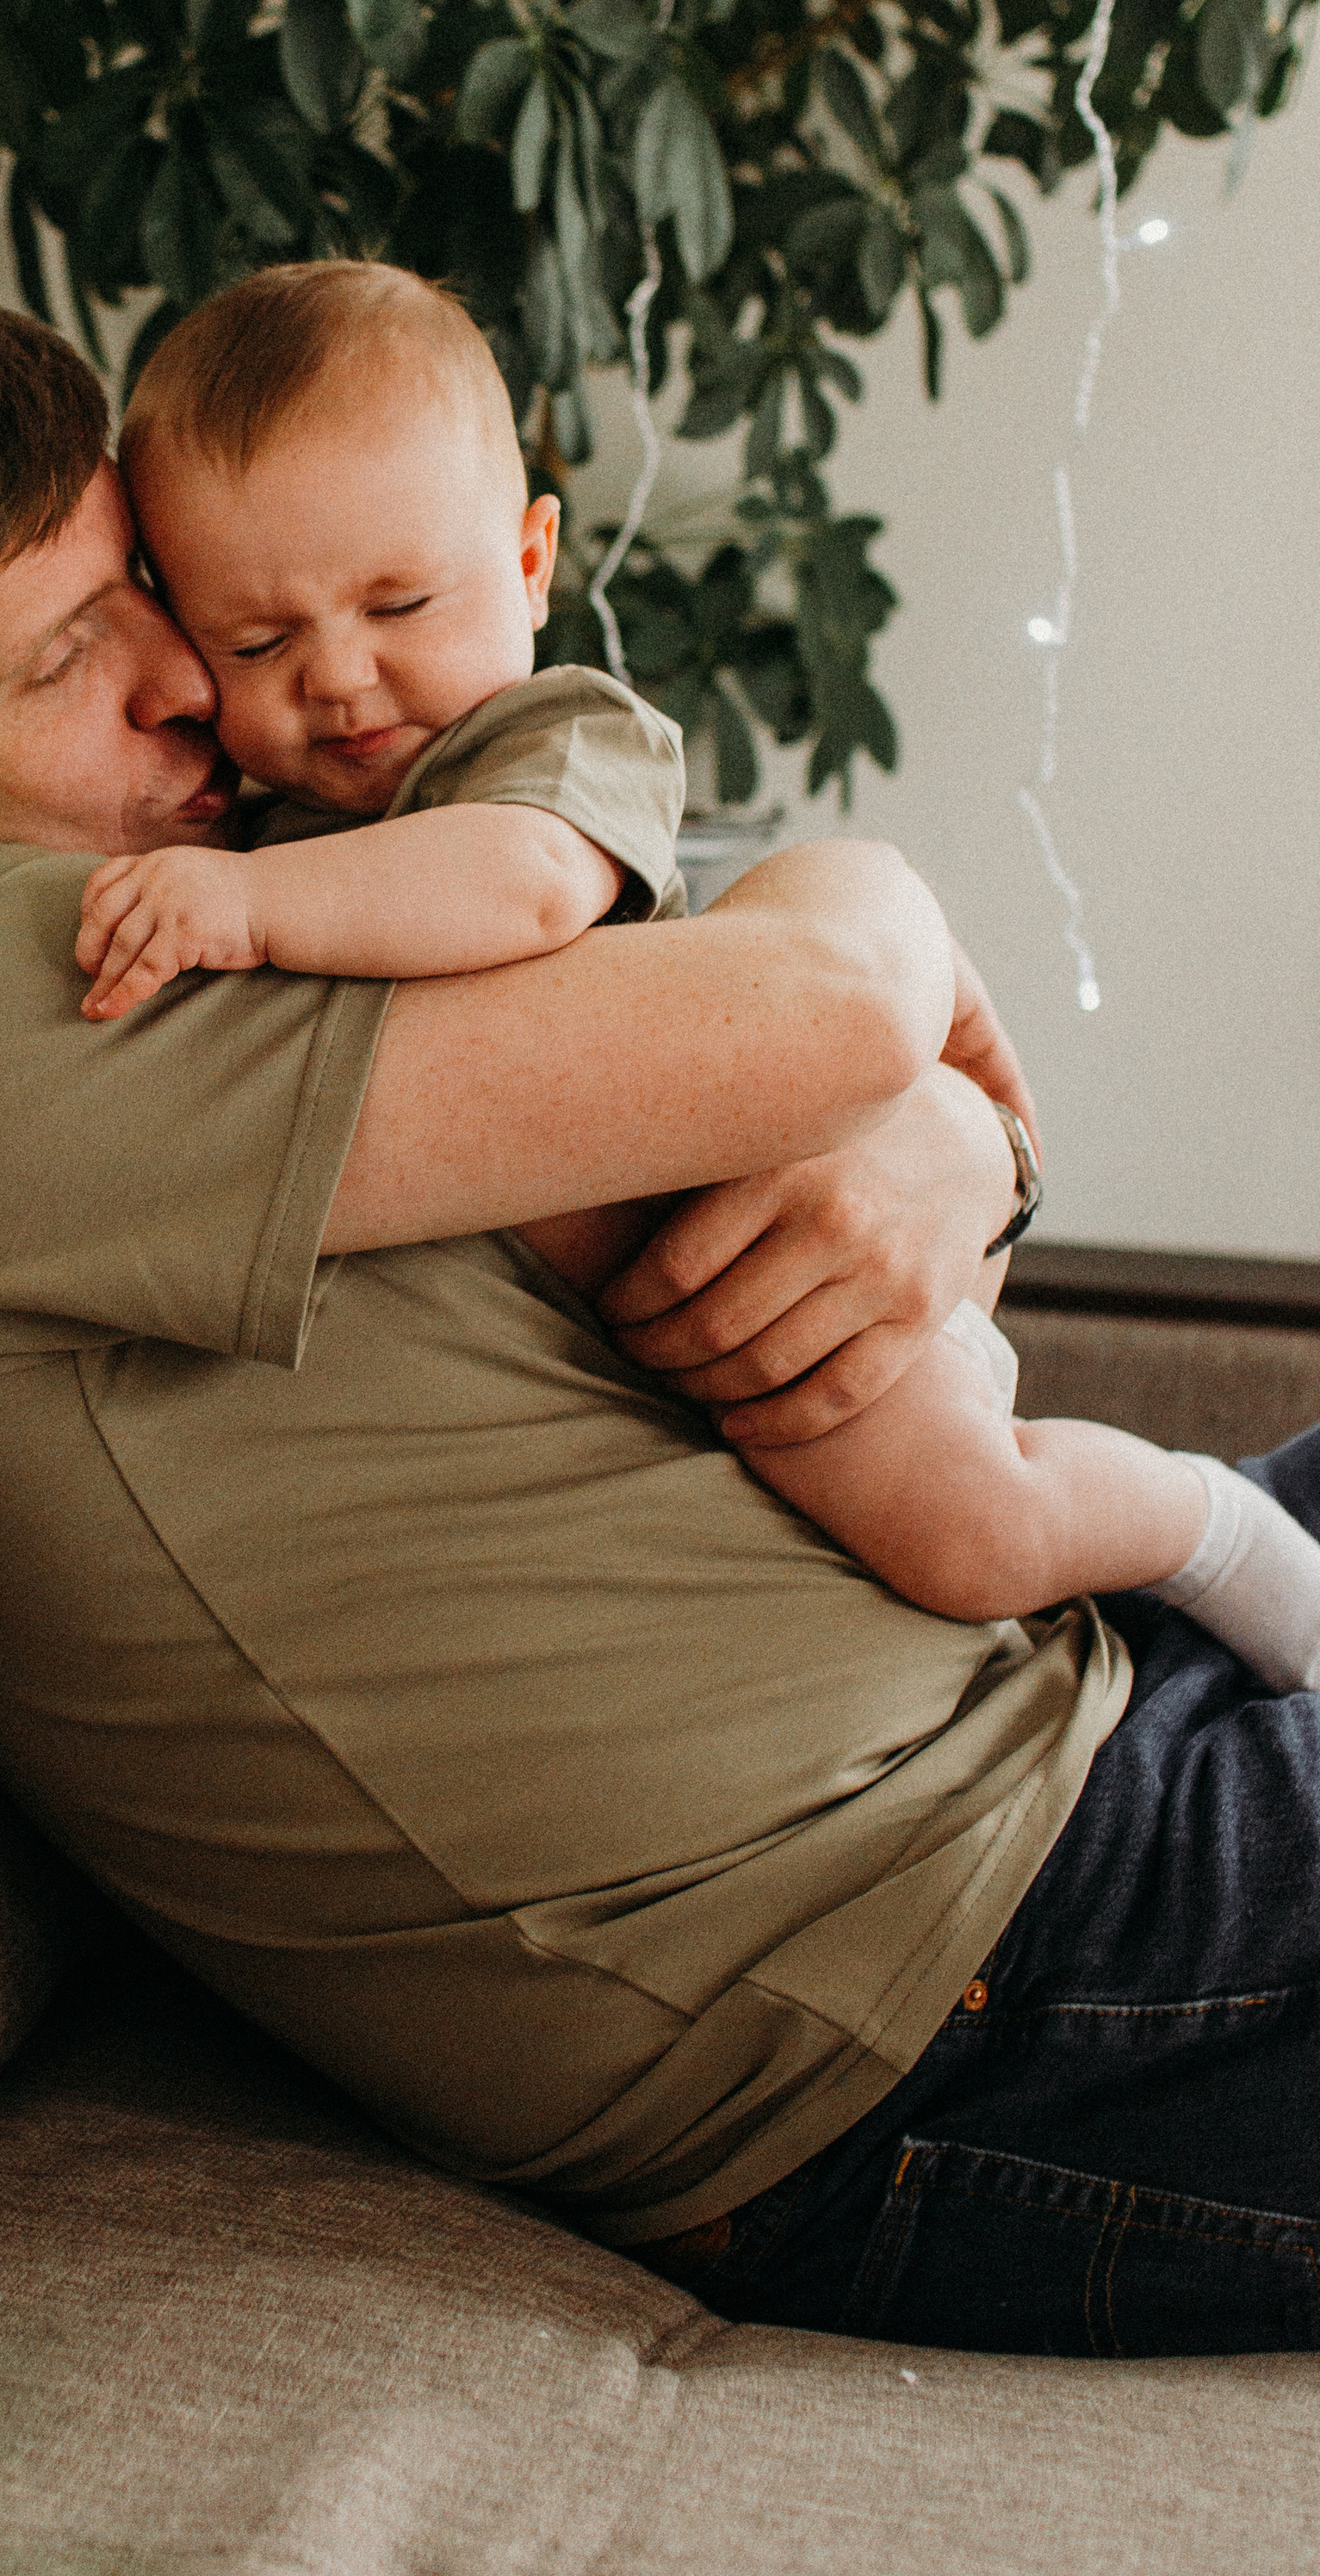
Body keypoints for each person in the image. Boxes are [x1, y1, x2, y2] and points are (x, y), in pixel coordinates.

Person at [0, 270, 1320, 2357]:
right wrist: (888, 932)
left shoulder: (171, 904)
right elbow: (817, 1009)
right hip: (971, 1978)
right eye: (60, 658)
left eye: (141, 593)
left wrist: (946, 1140)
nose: (191, 686)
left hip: (1048, 1727)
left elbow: (751, 1052)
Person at [78, 259, 1320, 1679]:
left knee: (977, 1539)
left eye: (403, 602)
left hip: (783, 1248)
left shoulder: (546, 744)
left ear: (533, 563)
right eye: (258, 638)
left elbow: (518, 887)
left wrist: (244, 905)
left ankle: (1214, 1524)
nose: (340, 675)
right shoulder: (264, 817)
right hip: (657, 1345)